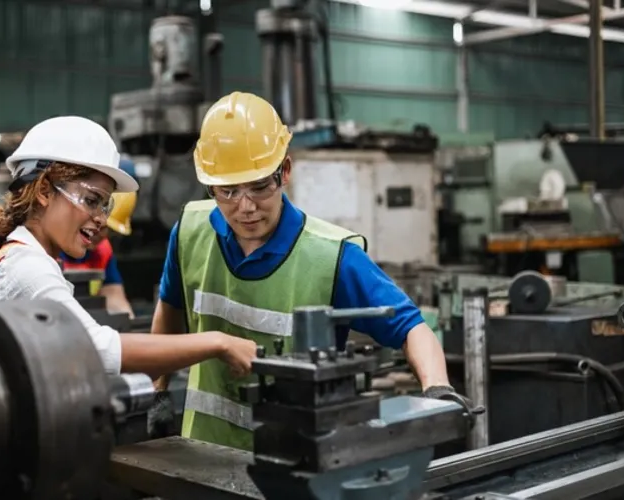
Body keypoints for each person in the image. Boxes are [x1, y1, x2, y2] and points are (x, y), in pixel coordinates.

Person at [151, 92, 465, 451]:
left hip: (296, 466)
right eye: (228, 191)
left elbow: (412, 327)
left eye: (259, 186)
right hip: (202, 454)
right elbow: (170, 307)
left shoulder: (331, 256)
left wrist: (438, 389)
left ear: (284, 171)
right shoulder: (190, 231)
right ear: (210, 186)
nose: (246, 206)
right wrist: (158, 389)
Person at [0, 115, 257, 378]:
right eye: (91, 200)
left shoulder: (18, 255)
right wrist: (218, 343)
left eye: (104, 205)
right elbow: (97, 349)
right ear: (44, 190)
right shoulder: (29, 266)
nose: (100, 219)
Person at [59, 158, 138, 318]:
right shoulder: (48, 247)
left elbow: (116, 300)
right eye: (100, 227)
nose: (100, 234)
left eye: (109, 230)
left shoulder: (102, 250)